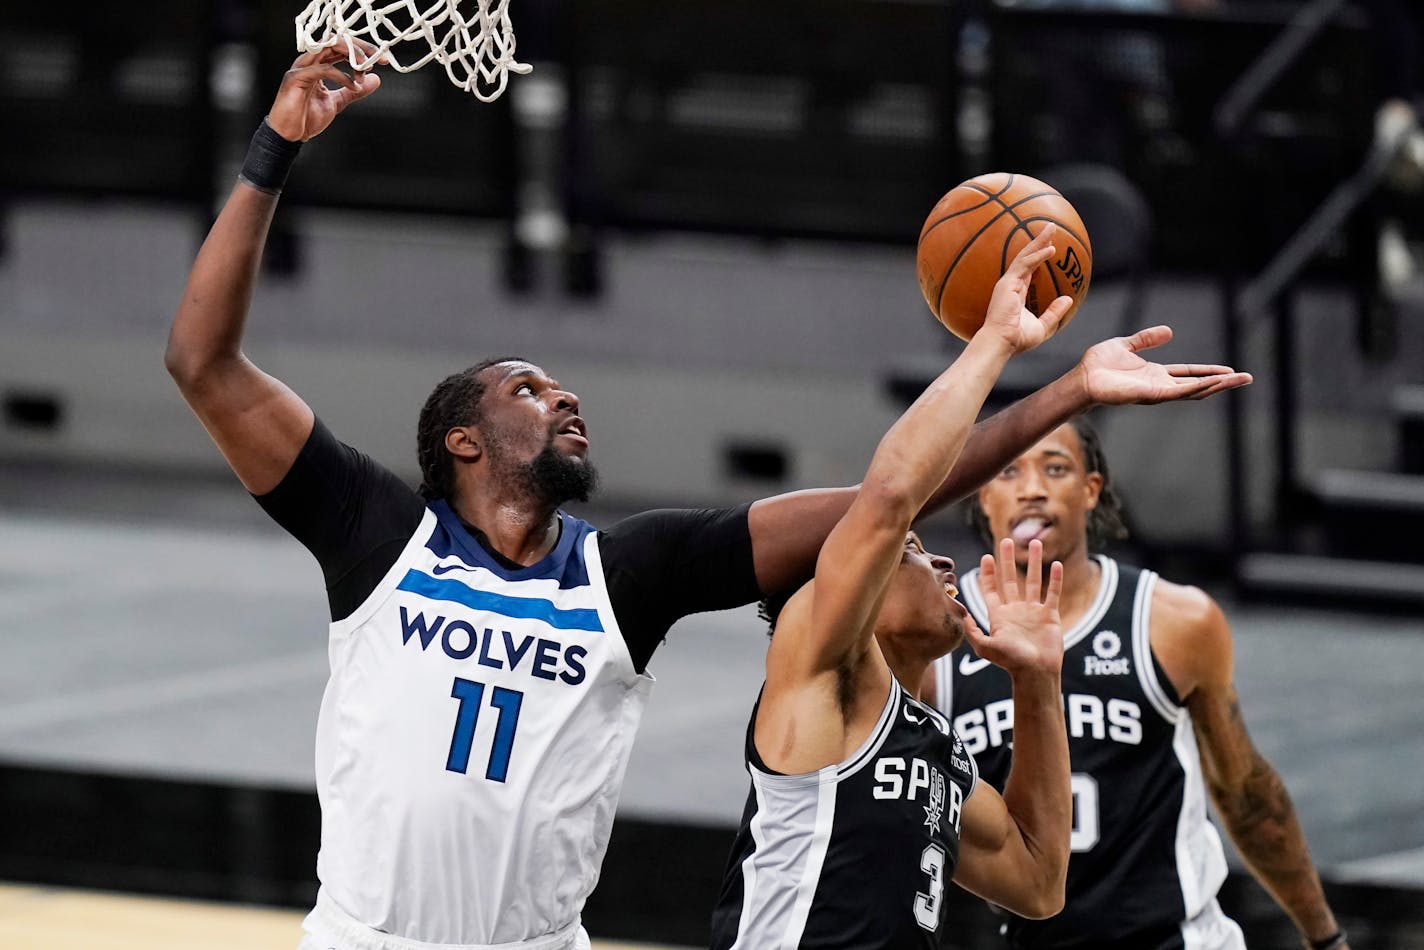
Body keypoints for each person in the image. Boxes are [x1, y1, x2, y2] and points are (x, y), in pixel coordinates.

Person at [164, 45, 1251, 950]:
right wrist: (272, 151)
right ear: (460, 437)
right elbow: (203, 362)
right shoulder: (377, 536)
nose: (565, 393)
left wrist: (1062, 388)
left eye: (565, 381)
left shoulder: (625, 574)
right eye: (527, 388)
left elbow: (890, 492)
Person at [711, 231, 1078, 949]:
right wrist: (996, 346)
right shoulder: (818, 664)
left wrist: (1037, 682)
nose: (943, 565)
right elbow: (886, 500)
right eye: (910, 553)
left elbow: (1037, 883)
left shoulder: (933, 742)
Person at [925, 420, 1347, 950]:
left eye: (1055, 468)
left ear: (1090, 490)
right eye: (1009, 471)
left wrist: (1324, 936)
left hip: (1177, 939)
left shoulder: (1174, 621)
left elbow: (1246, 796)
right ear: (983, 494)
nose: (1032, 488)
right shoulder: (938, 637)